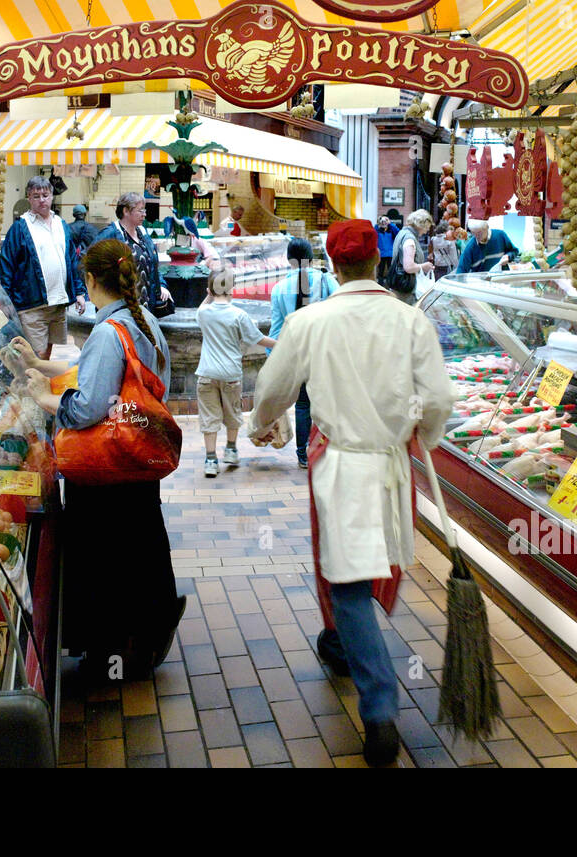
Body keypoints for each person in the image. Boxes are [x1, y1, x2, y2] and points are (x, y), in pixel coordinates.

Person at [248, 220, 455, 766]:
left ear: (333, 266)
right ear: (379, 263)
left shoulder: (309, 320)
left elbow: (273, 388)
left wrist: (258, 425)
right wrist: (421, 434)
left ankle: (381, 709)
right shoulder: (411, 322)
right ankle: (347, 650)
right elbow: (436, 400)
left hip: (340, 468)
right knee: (370, 571)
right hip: (391, 467)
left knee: (348, 585)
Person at [19, 240, 184, 681]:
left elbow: (90, 405)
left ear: (91, 280)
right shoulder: (145, 320)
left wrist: (44, 397)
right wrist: (43, 366)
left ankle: (113, 656)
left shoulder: (109, 331)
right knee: (142, 547)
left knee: (109, 560)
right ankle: (147, 637)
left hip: (105, 469)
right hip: (137, 458)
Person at [196, 270, 276, 477]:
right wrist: (281, 344)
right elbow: (257, 339)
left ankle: (211, 460)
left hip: (206, 373)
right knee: (232, 413)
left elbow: (203, 306)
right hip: (231, 374)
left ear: (210, 290)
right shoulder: (239, 315)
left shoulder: (203, 314)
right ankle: (231, 450)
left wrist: (209, 293)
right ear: (231, 289)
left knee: (209, 417)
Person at [268, 236, 339, 469]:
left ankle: (302, 455)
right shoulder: (325, 280)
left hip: (296, 355)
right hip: (323, 351)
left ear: (288, 260)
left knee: (302, 405)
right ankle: (325, 450)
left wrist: (273, 361)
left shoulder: (279, 289)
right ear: (310, 258)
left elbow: (276, 329)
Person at [0, 176, 86, 359]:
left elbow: (71, 261)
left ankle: (40, 384)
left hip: (58, 302)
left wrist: (79, 292)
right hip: (31, 305)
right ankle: (32, 384)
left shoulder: (61, 224)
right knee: (34, 356)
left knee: (47, 354)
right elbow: (6, 267)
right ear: (28, 198)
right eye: (36, 196)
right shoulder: (20, 227)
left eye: (45, 195)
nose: (41, 199)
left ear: (52, 196)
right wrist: (5, 303)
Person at [93, 191, 173, 314]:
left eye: (144, 211)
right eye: (140, 210)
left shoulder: (143, 233)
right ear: (125, 211)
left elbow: (152, 265)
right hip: (118, 309)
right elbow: (88, 261)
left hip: (145, 307)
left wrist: (160, 285)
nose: (144, 214)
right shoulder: (110, 234)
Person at [386, 208, 435, 304]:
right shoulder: (410, 239)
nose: (427, 231)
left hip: (398, 285)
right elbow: (408, 267)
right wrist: (424, 266)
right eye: (427, 227)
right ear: (421, 224)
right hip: (406, 289)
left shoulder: (402, 233)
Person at [66, 204, 96, 286]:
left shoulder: (67, 228)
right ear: (85, 214)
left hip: (71, 268)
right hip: (86, 267)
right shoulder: (93, 229)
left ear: (73, 215)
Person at [375, 215, 399, 285]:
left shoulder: (391, 230)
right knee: (380, 271)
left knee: (391, 270)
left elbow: (398, 232)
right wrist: (378, 222)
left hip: (390, 254)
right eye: (382, 221)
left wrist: (390, 223)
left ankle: (391, 284)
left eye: (385, 221)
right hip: (381, 254)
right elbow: (374, 231)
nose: (384, 223)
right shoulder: (377, 230)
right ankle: (380, 284)